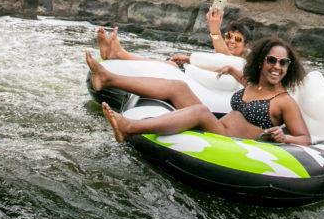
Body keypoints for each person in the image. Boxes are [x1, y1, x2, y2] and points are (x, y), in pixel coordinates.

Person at [88, 37, 311, 146]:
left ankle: (129, 127)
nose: (277, 67)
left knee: (201, 111)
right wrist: (232, 69)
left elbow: (306, 139)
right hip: (220, 127)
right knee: (179, 87)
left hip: (230, 141)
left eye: (284, 63)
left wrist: (286, 137)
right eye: (272, 60)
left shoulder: (284, 101)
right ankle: (108, 79)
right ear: (261, 62)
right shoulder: (255, 85)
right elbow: (248, 84)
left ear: (289, 67)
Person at [96, 8, 252, 65]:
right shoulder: (222, 54)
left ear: (246, 46)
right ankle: (117, 54)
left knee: (170, 66)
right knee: (170, 63)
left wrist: (215, 31)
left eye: (237, 39)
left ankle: (120, 53)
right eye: (229, 36)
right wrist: (188, 59)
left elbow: (228, 61)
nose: (231, 41)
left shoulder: (245, 63)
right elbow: (216, 59)